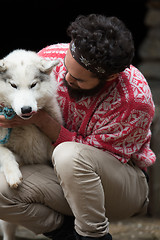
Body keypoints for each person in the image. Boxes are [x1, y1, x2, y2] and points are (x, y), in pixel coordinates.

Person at [0, 14, 156, 240]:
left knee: (68, 155)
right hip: (57, 172)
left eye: (78, 79)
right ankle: (66, 233)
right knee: (3, 190)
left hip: (117, 184)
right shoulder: (50, 58)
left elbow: (92, 157)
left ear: (110, 77)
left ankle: (93, 235)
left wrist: (42, 120)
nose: (65, 78)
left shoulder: (134, 100)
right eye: (66, 68)